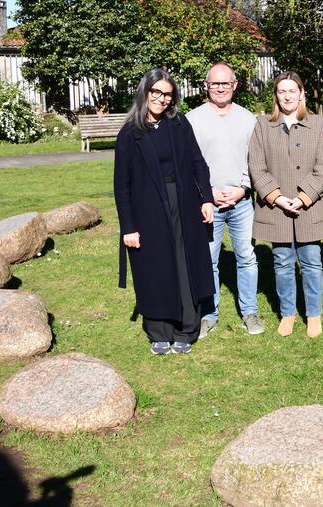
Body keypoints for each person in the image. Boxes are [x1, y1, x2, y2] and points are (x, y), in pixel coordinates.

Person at [114, 68, 215, 355]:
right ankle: (159, 330)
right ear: (145, 92)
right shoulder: (129, 134)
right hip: (147, 209)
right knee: (155, 267)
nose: (161, 99)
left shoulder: (179, 124)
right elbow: (122, 185)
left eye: (167, 94)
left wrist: (206, 198)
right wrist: (128, 227)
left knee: (184, 263)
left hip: (182, 203)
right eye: (156, 92)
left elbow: (198, 162)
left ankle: (186, 328)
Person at [248, 71, 323, 338]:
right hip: (277, 208)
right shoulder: (263, 125)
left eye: (292, 91)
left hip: (308, 207)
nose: (287, 96)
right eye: (282, 91)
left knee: (311, 261)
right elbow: (256, 166)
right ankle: (287, 313)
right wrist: (276, 196)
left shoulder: (318, 124)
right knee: (282, 261)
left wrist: (303, 196)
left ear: (301, 94)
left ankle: (313, 314)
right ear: (276, 95)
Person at [186, 62, 263, 339]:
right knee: (208, 260)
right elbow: (189, 165)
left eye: (225, 83)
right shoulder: (192, 120)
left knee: (247, 257)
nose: (220, 88)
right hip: (208, 203)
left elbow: (255, 160)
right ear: (206, 86)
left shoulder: (248, 119)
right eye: (215, 83)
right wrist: (207, 193)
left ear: (235, 85)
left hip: (241, 203)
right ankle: (208, 314)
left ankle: (250, 311)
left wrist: (243, 188)